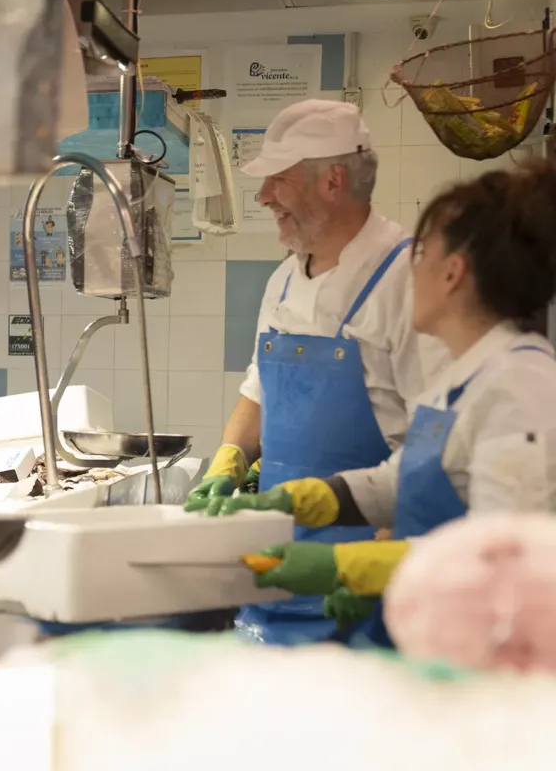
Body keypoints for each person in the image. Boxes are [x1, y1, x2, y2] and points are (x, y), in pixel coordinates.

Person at [213, 161, 556, 645]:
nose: (407, 273)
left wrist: (349, 565)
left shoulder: (521, 385)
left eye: (420, 254)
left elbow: (500, 556)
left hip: (483, 656)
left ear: (452, 274)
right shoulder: (466, 376)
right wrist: (312, 498)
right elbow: (403, 479)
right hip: (432, 627)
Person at [182, 99, 449, 645]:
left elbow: (437, 447)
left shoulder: (407, 279)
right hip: (275, 568)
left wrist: (380, 561)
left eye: (278, 181)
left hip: (361, 581)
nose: (262, 198)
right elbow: (258, 388)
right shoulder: (281, 279)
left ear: (332, 181)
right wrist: (226, 463)